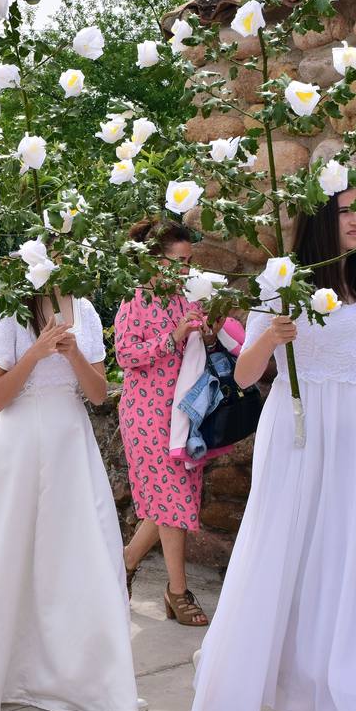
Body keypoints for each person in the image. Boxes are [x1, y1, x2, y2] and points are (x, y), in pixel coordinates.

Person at [188, 188, 356, 711]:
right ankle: (232, 671)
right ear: (322, 219)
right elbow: (246, 376)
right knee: (277, 550)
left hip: (347, 435)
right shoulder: (283, 278)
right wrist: (272, 334)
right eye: (346, 211)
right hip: (296, 431)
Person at [0, 291, 145, 711]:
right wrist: (37, 350)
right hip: (19, 445)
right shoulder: (7, 311)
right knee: (8, 561)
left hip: (71, 444)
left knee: (82, 561)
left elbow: (99, 394)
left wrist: (73, 355)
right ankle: (0, 676)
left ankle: (88, 683)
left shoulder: (84, 308)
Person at [115, 218, 211, 625]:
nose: (187, 269)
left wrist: (208, 329)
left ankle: (124, 564)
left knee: (172, 498)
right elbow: (125, 356)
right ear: (155, 260)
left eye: (190, 261)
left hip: (186, 412)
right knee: (173, 498)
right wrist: (171, 338)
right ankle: (177, 591)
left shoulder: (188, 297)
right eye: (180, 261)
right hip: (147, 413)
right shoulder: (134, 301)